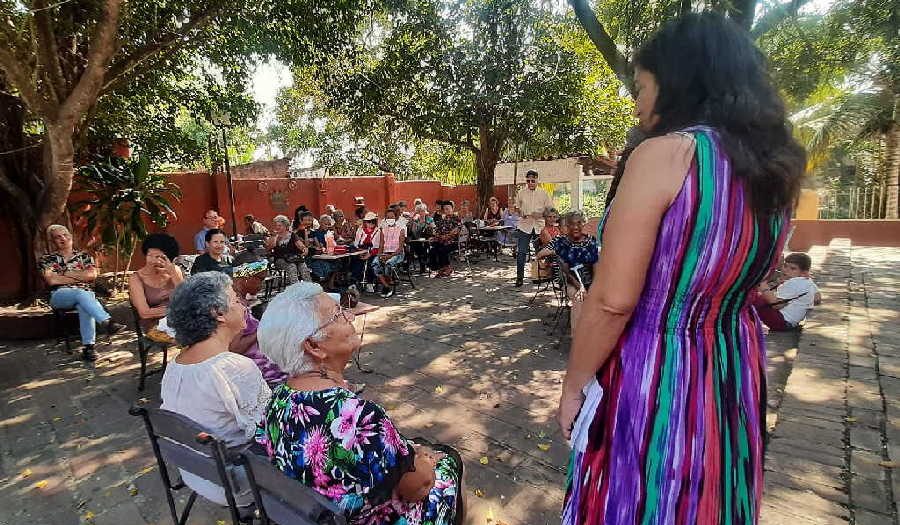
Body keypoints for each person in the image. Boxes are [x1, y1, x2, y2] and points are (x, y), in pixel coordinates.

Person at [558, 14, 806, 525]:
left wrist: (575, 384)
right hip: (732, 363)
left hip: (656, 366)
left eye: (641, 86)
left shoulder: (666, 155)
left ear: (676, 82)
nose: (636, 102)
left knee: (645, 494)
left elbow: (613, 301)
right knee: (710, 496)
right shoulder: (773, 171)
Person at [255, 282, 464, 525]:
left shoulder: (278, 399)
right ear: (313, 346)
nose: (351, 316)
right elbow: (418, 486)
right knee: (449, 460)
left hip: (313, 512)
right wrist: (426, 461)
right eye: (338, 314)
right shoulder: (358, 417)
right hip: (370, 518)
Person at [160, 272, 271, 506]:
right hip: (235, 483)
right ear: (218, 313)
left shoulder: (175, 365)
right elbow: (271, 431)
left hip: (196, 473)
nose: (243, 305)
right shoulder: (233, 367)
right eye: (236, 300)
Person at [40, 224, 123, 361]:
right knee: (82, 294)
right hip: (60, 295)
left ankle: (89, 348)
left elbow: (92, 275)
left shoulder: (84, 257)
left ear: (71, 237)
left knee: (84, 301)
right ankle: (107, 322)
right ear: (52, 241)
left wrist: (66, 274)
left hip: (85, 294)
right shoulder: (47, 259)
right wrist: (80, 275)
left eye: (65, 235)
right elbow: (52, 280)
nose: (63, 238)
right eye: (58, 237)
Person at [535, 211, 599, 335]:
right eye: (569, 225)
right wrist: (555, 252)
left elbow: (594, 264)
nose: (574, 227)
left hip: (586, 278)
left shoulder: (589, 241)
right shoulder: (559, 241)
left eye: (579, 223)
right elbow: (541, 255)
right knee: (579, 296)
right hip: (567, 279)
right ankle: (577, 337)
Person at [229, 261, 287, 386]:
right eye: (260, 279)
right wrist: (262, 328)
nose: (262, 285)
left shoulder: (242, 301)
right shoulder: (236, 307)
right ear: (246, 278)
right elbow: (234, 348)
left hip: (266, 368)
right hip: (263, 375)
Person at [129, 233, 184, 339]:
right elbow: (144, 313)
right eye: (150, 256)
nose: (154, 261)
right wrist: (176, 310)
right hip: (155, 325)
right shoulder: (136, 279)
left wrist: (173, 273)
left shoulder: (174, 270)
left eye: (160, 257)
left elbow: (185, 298)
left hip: (179, 319)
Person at [753, 253, 820, 331]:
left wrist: (763, 286)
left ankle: (746, 325)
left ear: (803, 273)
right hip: (792, 322)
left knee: (753, 298)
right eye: (785, 266)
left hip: (781, 321)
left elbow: (777, 305)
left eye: (793, 268)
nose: (786, 270)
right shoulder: (808, 281)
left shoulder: (794, 283)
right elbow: (817, 298)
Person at [512, 170, 553, 287]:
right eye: (528, 181)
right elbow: (516, 207)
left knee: (541, 252)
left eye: (532, 181)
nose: (530, 183)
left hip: (539, 226)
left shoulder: (544, 193)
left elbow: (551, 210)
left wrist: (540, 215)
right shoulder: (521, 193)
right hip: (525, 226)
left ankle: (542, 275)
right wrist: (520, 212)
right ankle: (519, 278)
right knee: (521, 253)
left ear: (537, 180)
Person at [372, 208, 407, 298]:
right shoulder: (383, 230)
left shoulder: (401, 230)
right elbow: (381, 245)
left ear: (396, 217)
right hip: (385, 253)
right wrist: (380, 255)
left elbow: (400, 248)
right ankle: (386, 286)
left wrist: (390, 256)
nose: (390, 219)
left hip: (397, 254)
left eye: (391, 217)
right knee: (375, 263)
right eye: (387, 217)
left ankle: (388, 283)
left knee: (388, 264)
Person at [266, 214, 309, 285]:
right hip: (280, 259)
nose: (277, 227)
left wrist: (304, 249)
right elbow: (269, 247)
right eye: (276, 225)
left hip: (293, 258)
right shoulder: (274, 236)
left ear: (286, 226)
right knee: (292, 266)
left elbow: (300, 245)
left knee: (303, 266)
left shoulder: (292, 235)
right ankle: (295, 288)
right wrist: (275, 237)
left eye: (280, 225)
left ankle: (309, 287)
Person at [429, 201, 461, 277]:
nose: (446, 211)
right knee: (433, 249)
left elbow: (455, 231)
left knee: (442, 249)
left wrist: (445, 237)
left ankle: (447, 268)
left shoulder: (456, 219)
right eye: (445, 209)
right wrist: (435, 236)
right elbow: (438, 230)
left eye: (448, 209)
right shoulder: (443, 219)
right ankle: (439, 268)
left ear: (452, 209)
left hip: (453, 242)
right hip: (442, 240)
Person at [309, 215, 341, 289]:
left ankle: (330, 283)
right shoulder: (315, 233)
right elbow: (318, 245)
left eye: (329, 224)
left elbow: (335, 242)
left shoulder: (329, 233)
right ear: (320, 223)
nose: (327, 226)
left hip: (328, 255)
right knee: (325, 265)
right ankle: (322, 284)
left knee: (338, 262)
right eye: (325, 224)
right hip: (318, 256)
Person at [351, 212, 381, 291]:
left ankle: (370, 282)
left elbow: (377, 247)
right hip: (360, 250)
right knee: (356, 261)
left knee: (371, 263)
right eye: (368, 221)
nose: (371, 223)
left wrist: (369, 254)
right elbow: (356, 243)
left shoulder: (378, 231)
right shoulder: (360, 230)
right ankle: (354, 281)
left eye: (372, 221)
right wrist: (360, 252)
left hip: (372, 251)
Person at [408, 204, 434, 274]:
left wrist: (429, 226)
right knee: (416, 245)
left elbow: (433, 229)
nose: (421, 213)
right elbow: (413, 231)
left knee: (424, 246)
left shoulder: (429, 219)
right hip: (417, 238)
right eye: (419, 211)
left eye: (422, 211)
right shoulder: (415, 220)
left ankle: (424, 264)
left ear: (425, 211)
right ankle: (422, 264)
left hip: (427, 238)